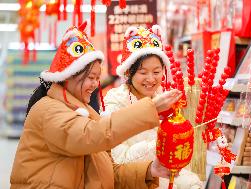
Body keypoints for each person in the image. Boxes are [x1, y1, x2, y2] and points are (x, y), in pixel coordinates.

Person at [10, 22, 183, 189]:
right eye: (90, 78)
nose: (94, 84)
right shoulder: (48, 109)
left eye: (97, 78)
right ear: (68, 76)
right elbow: (90, 135)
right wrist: (151, 109)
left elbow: (108, 173)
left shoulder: (88, 112)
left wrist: (151, 170)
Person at [103, 25, 203, 189]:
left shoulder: (164, 99)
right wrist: (161, 143)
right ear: (129, 72)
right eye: (143, 72)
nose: (151, 79)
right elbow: (119, 160)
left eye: (156, 72)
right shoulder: (116, 103)